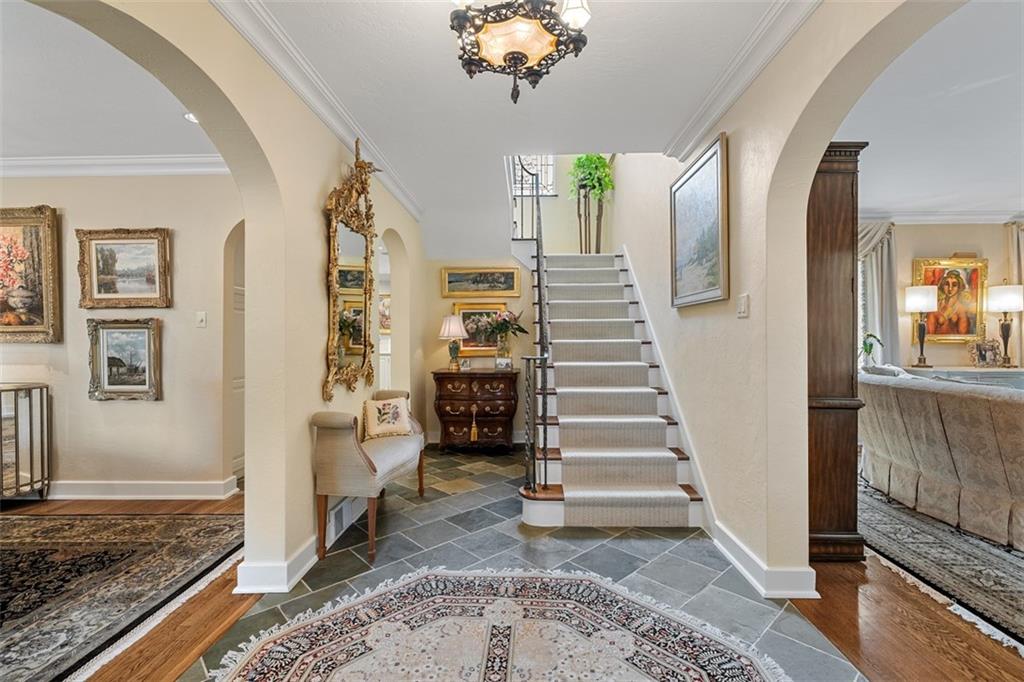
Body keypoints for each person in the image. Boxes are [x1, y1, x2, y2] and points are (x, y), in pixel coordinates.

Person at [926, 269, 973, 336]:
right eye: (947, 284)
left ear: (959, 287)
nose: (950, 288)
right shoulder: (934, 307)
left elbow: (963, 337)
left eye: (954, 285)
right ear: (942, 285)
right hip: (935, 344)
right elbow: (929, 334)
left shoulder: (961, 310)